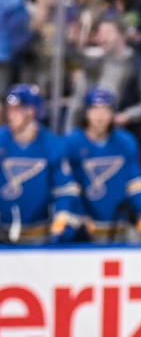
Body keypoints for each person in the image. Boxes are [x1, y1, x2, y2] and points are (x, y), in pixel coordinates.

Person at [64, 86, 141, 242]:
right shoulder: (72, 143)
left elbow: (135, 181)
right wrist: (78, 215)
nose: (100, 116)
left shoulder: (125, 141)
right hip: (85, 228)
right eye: (95, 109)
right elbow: (69, 186)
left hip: (119, 227)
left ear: (113, 113)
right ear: (86, 112)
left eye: (105, 110)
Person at [0, 84, 81, 243]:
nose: (10, 115)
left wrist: (61, 219)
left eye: (17, 109)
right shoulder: (1, 140)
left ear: (31, 111)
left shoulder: (52, 145)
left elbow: (65, 190)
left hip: (38, 236)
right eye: (9, 109)